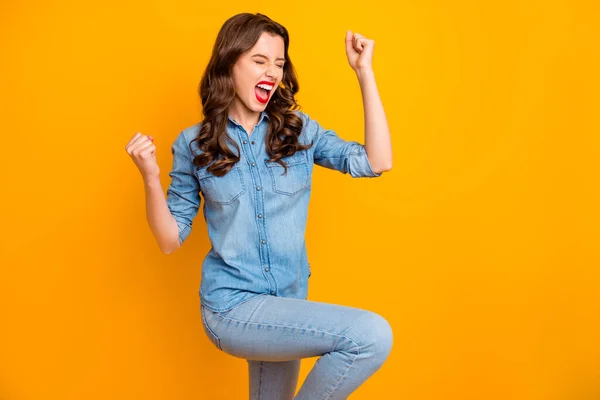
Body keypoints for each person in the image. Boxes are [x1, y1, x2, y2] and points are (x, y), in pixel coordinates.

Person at [125, 12, 393, 400]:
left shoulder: (297, 131)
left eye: (279, 63)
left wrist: (364, 72)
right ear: (229, 64)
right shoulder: (194, 145)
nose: (272, 71)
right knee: (369, 335)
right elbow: (169, 240)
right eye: (259, 60)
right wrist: (149, 176)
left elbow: (375, 161)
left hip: (287, 306)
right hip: (232, 308)